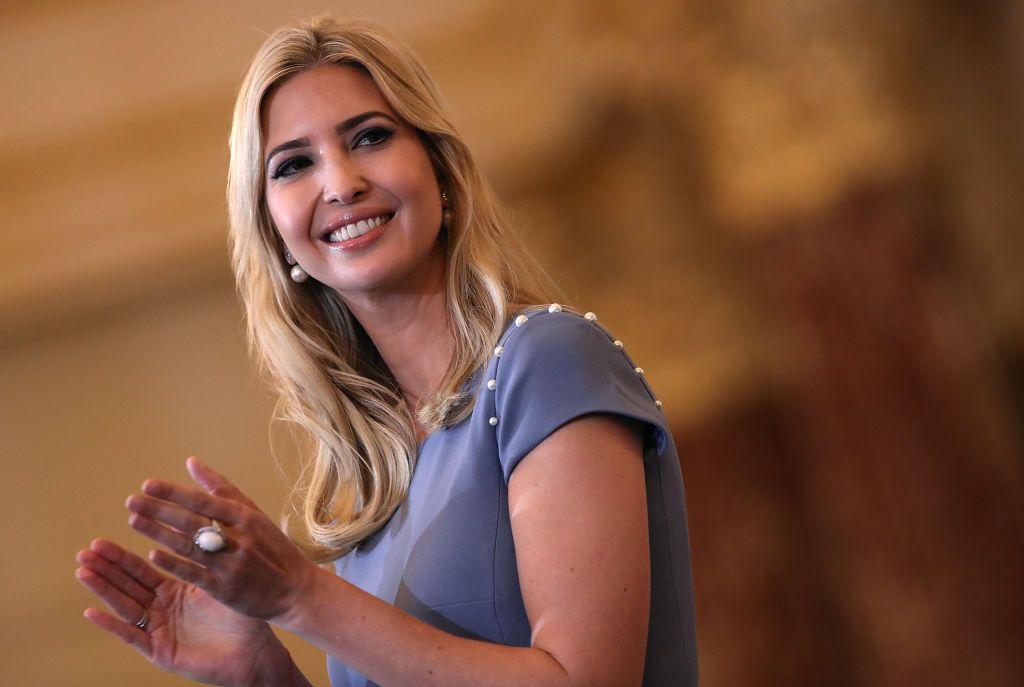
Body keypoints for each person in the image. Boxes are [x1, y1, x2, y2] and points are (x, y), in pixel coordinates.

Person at [74, 16, 698, 687]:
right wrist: (263, 675)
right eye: (294, 165)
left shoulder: (545, 361)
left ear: (440, 168)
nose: (341, 183)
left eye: (369, 137)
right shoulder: (372, 485)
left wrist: (301, 596)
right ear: (277, 235)